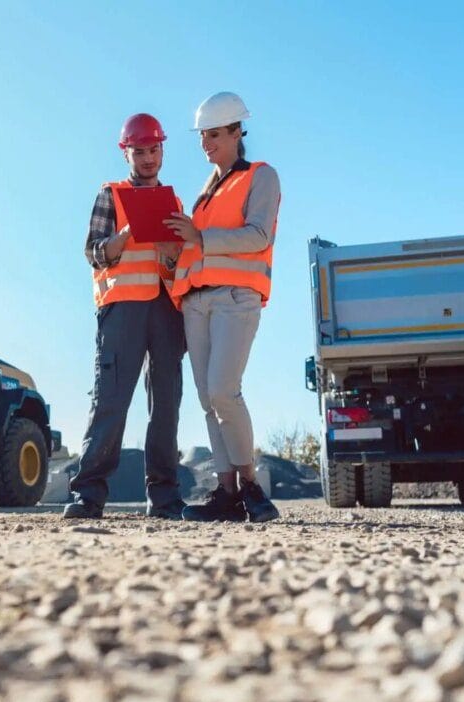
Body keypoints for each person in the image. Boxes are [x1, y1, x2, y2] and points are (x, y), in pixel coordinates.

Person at [163, 92, 281, 524]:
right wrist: (173, 249)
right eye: (202, 135)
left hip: (235, 297)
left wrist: (199, 238)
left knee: (223, 391)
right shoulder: (204, 194)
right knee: (207, 400)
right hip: (196, 302)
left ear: (237, 132)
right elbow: (196, 248)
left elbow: (258, 236)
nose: (205, 143)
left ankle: (251, 487)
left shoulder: (261, 177)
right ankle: (226, 492)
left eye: (214, 134)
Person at [64, 113, 187, 520]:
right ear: (126, 153)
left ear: (163, 150)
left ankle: (165, 497)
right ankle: (88, 495)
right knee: (111, 401)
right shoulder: (110, 195)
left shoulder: (176, 202)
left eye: (154, 150)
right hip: (122, 312)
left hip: (167, 311)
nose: (148, 158)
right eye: (140, 151)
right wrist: (127, 233)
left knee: (166, 404)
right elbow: (93, 252)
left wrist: (175, 253)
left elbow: (182, 262)